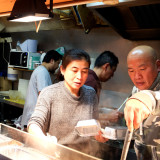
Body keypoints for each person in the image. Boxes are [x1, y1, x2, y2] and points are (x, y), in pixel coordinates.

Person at [27, 49, 107, 154]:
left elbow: (94, 125)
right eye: (74, 70)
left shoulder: (90, 94)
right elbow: (34, 123)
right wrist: (44, 141)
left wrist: (99, 134)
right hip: (55, 154)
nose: (79, 77)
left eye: (84, 71)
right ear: (63, 70)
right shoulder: (49, 93)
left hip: (82, 154)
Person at [124, 45, 160, 159]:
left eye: (142, 69)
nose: (137, 76)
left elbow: (153, 98)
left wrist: (144, 98)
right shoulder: (136, 89)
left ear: (158, 66)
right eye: (131, 70)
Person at [20, 50, 62, 129]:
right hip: (35, 114)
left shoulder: (41, 70)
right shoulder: (42, 72)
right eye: (58, 63)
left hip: (33, 114)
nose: (57, 66)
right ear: (52, 61)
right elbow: (43, 95)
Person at [85, 51, 123, 126]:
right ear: (106, 66)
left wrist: (101, 120)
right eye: (113, 71)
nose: (112, 75)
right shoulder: (90, 82)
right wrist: (107, 116)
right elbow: (83, 114)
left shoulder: (94, 80)